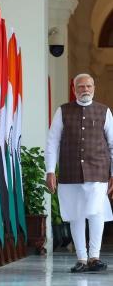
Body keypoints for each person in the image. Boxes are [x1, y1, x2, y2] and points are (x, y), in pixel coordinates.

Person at [45, 73, 113, 273]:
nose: (85, 89)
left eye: (89, 86)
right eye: (81, 86)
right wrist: (50, 171)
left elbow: (112, 144)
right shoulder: (63, 111)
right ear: (74, 89)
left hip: (98, 170)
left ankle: (94, 257)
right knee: (76, 214)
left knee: (96, 212)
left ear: (94, 88)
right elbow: (52, 142)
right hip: (70, 171)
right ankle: (81, 258)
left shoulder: (104, 111)